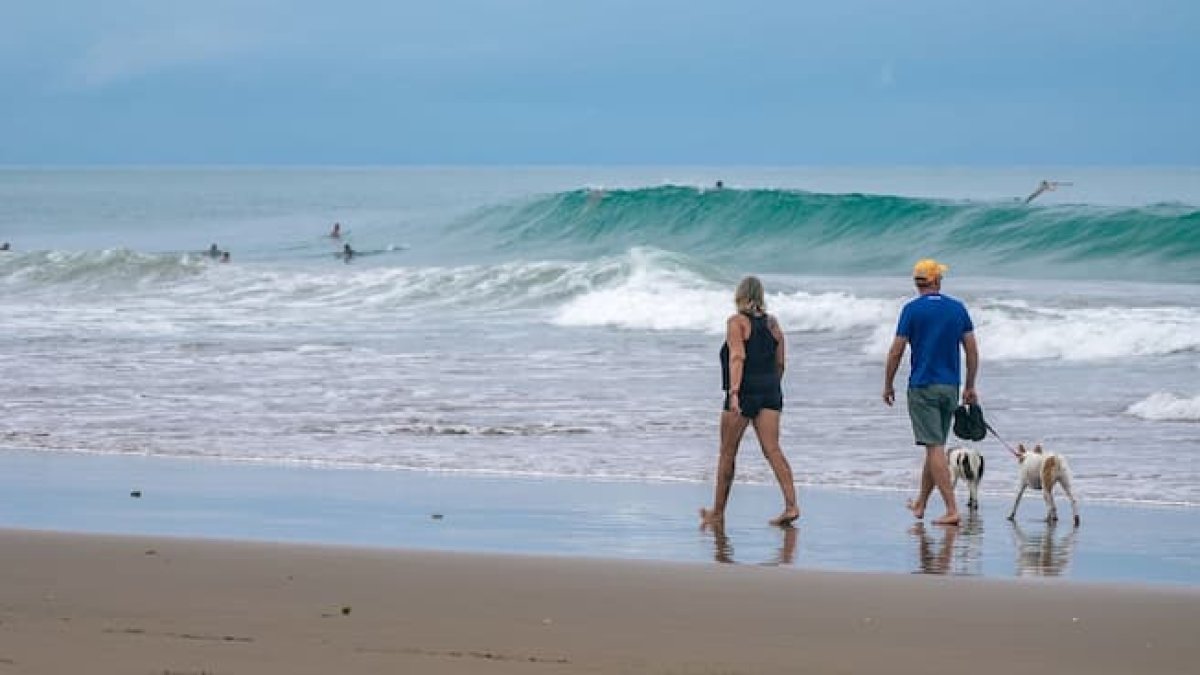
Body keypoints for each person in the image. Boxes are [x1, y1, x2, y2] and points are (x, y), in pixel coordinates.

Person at [883, 258, 979, 526]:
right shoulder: (957, 309)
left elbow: (896, 350)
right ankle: (921, 503)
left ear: (918, 283)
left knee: (934, 447)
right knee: (935, 446)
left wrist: (888, 383)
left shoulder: (911, 310)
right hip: (950, 386)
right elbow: (971, 350)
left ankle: (951, 509)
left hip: (923, 386)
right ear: (937, 280)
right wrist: (970, 385)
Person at [700, 276, 799, 528]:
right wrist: (773, 386)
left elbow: (737, 357)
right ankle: (791, 505)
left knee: (727, 453)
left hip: (744, 392)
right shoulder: (773, 324)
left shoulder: (736, 322)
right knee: (773, 450)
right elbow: (781, 362)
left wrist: (734, 392)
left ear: (739, 296)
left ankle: (718, 513)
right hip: (770, 391)